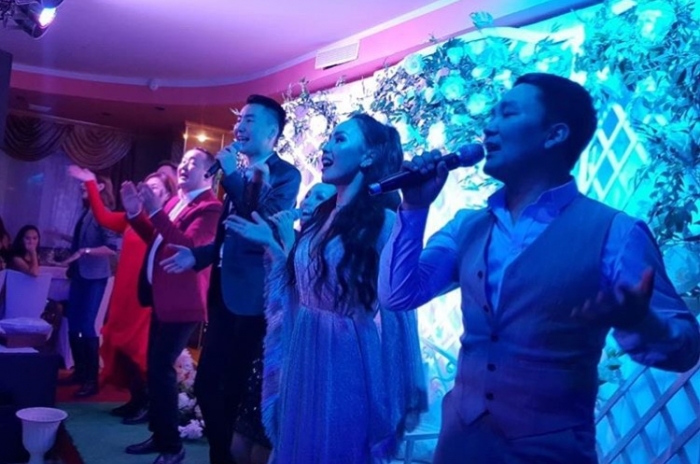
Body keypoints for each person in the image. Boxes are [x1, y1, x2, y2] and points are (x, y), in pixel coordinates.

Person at [377, 72, 700, 464]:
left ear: (554, 134)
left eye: (508, 114)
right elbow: (398, 295)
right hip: (459, 445)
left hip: (551, 452)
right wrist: (414, 207)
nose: (489, 126)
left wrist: (642, 323)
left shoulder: (617, 233)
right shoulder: (467, 226)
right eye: (492, 114)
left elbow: (686, 349)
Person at [225, 113, 427, 464]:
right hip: (305, 351)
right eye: (329, 138)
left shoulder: (385, 223)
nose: (326, 146)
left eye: (340, 139)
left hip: (346, 359)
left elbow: (399, 311)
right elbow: (300, 284)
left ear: (368, 156)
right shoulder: (321, 218)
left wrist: (403, 385)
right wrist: (273, 246)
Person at [161, 94, 301, 464]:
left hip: (253, 297)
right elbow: (228, 238)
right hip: (223, 292)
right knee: (208, 385)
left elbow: (262, 222)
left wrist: (235, 178)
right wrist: (197, 256)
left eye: (250, 120)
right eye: (240, 119)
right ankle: (222, 457)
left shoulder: (286, 175)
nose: (240, 126)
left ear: (272, 132)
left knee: (233, 389)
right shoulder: (236, 173)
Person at [122, 148, 222, 464]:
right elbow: (157, 240)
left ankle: (172, 447)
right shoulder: (175, 202)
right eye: (184, 160)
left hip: (183, 303)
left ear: (209, 174)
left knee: (161, 369)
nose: (184, 165)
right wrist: (136, 214)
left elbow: (189, 248)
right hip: (161, 299)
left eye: (194, 162)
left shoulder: (211, 208)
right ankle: (160, 434)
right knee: (156, 370)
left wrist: (154, 212)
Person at [229, 182, 336, 464]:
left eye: (320, 197)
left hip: (302, 352)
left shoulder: (332, 247)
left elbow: (303, 289)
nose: (309, 200)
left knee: (267, 447)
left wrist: (283, 239)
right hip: (274, 345)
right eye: (309, 194)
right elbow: (279, 284)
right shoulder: (299, 239)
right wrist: (269, 241)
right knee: (239, 445)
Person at [68, 165, 177, 424]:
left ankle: (146, 403)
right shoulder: (132, 218)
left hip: (144, 298)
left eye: (155, 188)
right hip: (123, 294)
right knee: (122, 347)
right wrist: (91, 182)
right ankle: (135, 399)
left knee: (139, 349)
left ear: (166, 195)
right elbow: (103, 217)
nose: (147, 191)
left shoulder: (164, 223)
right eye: (146, 186)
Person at [61, 175, 121, 398]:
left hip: (95, 276)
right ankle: (80, 372)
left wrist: (84, 251)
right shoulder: (87, 211)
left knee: (86, 325)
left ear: (101, 186)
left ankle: (91, 380)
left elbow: (111, 247)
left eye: (86, 182)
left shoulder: (102, 212)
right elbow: (84, 241)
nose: (81, 186)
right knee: (73, 324)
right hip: (80, 274)